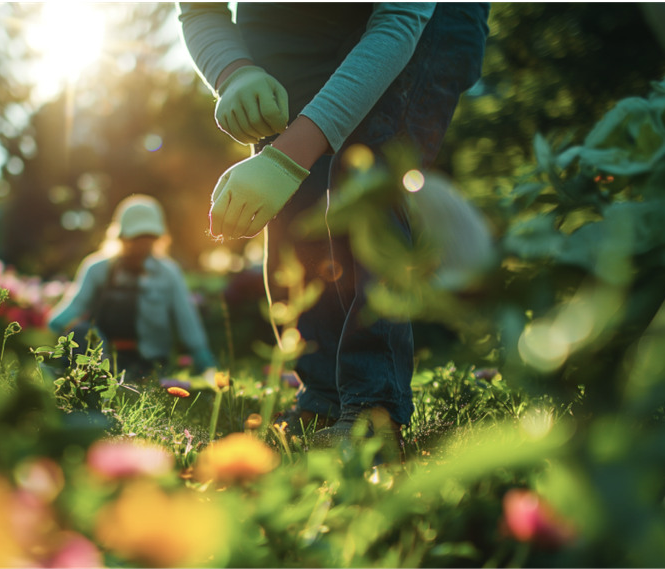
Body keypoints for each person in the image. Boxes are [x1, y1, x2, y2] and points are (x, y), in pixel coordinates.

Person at [178, 2, 490, 444]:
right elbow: (198, 10)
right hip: (283, 21)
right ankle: (323, 397)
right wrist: (235, 73)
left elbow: (400, 18)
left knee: (365, 179)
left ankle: (373, 412)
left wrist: (287, 159)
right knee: (294, 210)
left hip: (420, 17)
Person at [47, 195, 217, 381]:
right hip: (102, 359)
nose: (142, 243)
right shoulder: (97, 268)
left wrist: (207, 367)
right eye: (136, 237)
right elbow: (74, 307)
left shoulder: (169, 272)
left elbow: (188, 322)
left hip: (148, 364)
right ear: (121, 236)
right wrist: (44, 333)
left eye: (148, 237)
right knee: (81, 332)